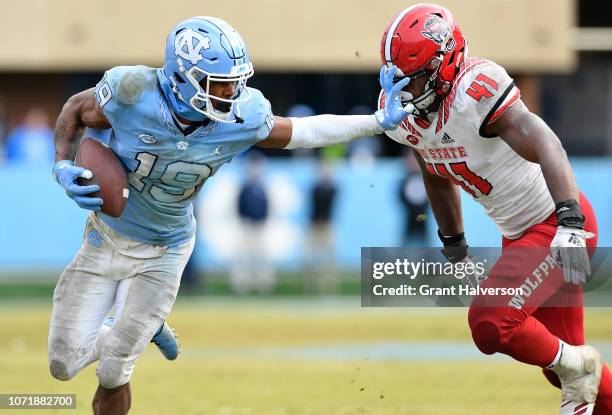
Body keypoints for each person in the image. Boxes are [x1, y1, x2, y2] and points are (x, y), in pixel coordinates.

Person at [49, 16, 407, 415]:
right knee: (62, 364)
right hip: (106, 235)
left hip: (167, 247)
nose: (232, 92)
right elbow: (75, 110)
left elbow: (306, 131)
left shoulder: (243, 116)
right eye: (219, 82)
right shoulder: (132, 91)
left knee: (116, 369)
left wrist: (377, 123)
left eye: (237, 81)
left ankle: (134, 331)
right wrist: (62, 164)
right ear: (183, 78)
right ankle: (145, 326)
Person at [377, 4, 611, 414]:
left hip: (556, 222)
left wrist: (570, 222)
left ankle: (579, 367)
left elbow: (545, 143)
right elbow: (434, 173)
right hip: (519, 234)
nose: (404, 91)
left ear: (445, 63)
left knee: (491, 321)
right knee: (565, 369)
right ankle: (580, 372)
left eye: (413, 79)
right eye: (396, 78)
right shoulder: (406, 115)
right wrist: (455, 245)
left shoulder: (476, 89)